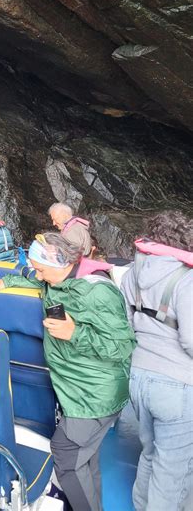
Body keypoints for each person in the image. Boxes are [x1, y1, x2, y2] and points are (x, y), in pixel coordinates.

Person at [0, 233, 136, 511]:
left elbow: (122, 346)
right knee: (85, 460)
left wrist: (74, 333)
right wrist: (8, 280)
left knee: (65, 455)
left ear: (61, 261)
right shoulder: (58, 279)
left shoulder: (97, 291)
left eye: (41, 269)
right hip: (74, 389)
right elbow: (33, 278)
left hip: (95, 394)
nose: (38, 276)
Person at [121, 211, 193, 511]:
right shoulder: (187, 279)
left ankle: (141, 505)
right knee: (172, 467)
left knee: (150, 452)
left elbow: (126, 324)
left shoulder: (131, 273)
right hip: (177, 386)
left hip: (138, 377)